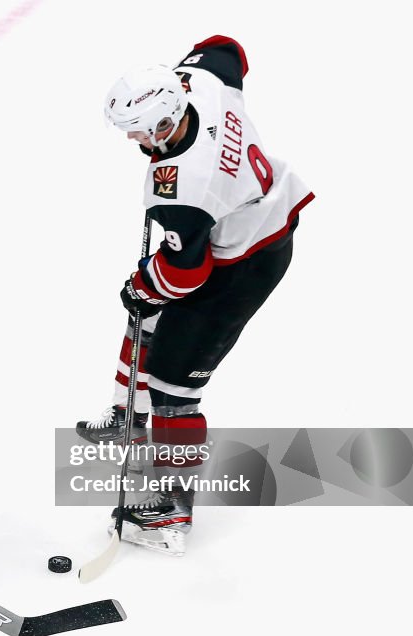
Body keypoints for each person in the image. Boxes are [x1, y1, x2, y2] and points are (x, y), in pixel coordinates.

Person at [76, 36, 313, 555]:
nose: (133, 139)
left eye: (137, 131)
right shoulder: (202, 85)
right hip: (247, 213)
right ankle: (125, 417)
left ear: (163, 125)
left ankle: (168, 510)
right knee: (149, 318)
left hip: (245, 264)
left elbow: (186, 274)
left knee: (173, 390)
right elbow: (225, 49)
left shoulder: (184, 189)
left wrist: (144, 284)